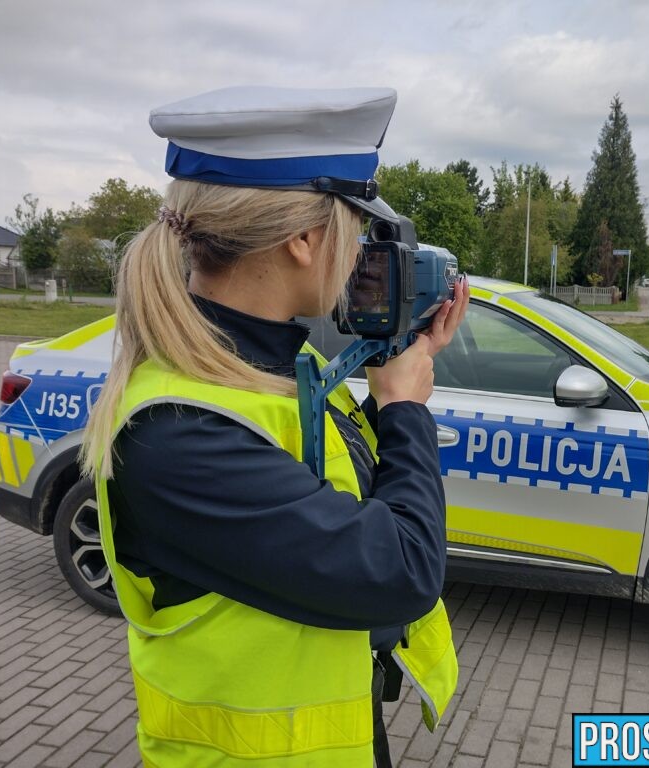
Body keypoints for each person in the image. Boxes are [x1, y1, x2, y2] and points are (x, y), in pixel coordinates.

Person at [81, 86, 468, 767]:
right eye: (354, 228)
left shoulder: (286, 363)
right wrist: (406, 411)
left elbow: (341, 496)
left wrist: (394, 386)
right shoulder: (176, 433)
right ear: (303, 239)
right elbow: (400, 569)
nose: (359, 255)